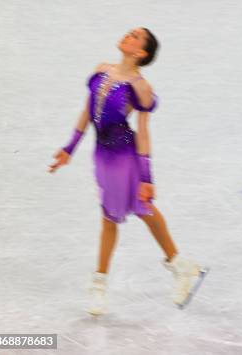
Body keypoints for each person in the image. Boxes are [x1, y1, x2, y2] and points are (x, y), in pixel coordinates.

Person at [49, 28, 203, 315]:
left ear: (141, 52)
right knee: (141, 210)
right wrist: (69, 147)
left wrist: (146, 177)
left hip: (125, 156)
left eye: (134, 37)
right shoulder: (101, 70)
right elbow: (86, 112)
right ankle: (181, 266)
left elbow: (143, 131)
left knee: (113, 216)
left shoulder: (140, 86)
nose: (127, 36)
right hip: (103, 155)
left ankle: (99, 286)